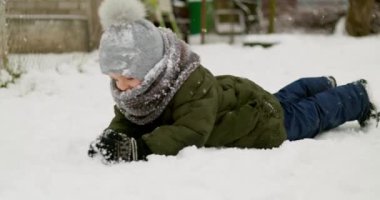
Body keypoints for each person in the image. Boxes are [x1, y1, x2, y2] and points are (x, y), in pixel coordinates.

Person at [88, 0, 379, 164]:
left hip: (257, 123)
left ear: (155, 69)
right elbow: (126, 118)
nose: (122, 88)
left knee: (308, 115)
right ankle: (319, 83)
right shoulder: (139, 91)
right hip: (239, 102)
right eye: (114, 79)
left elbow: (191, 132)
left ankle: (357, 96)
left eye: (128, 77)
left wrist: (142, 148)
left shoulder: (189, 84)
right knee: (282, 100)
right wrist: (112, 137)